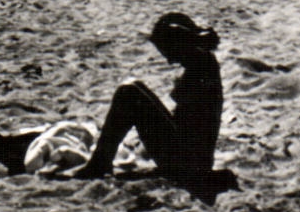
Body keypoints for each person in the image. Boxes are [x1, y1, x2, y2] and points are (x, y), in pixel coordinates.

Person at [74, 13, 223, 179]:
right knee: (133, 87)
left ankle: (99, 164)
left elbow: (193, 128)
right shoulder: (203, 62)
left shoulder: (200, 69)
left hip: (189, 163)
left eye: (169, 53)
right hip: (194, 157)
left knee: (128, 92)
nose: (169, 61)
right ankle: (100, 162)